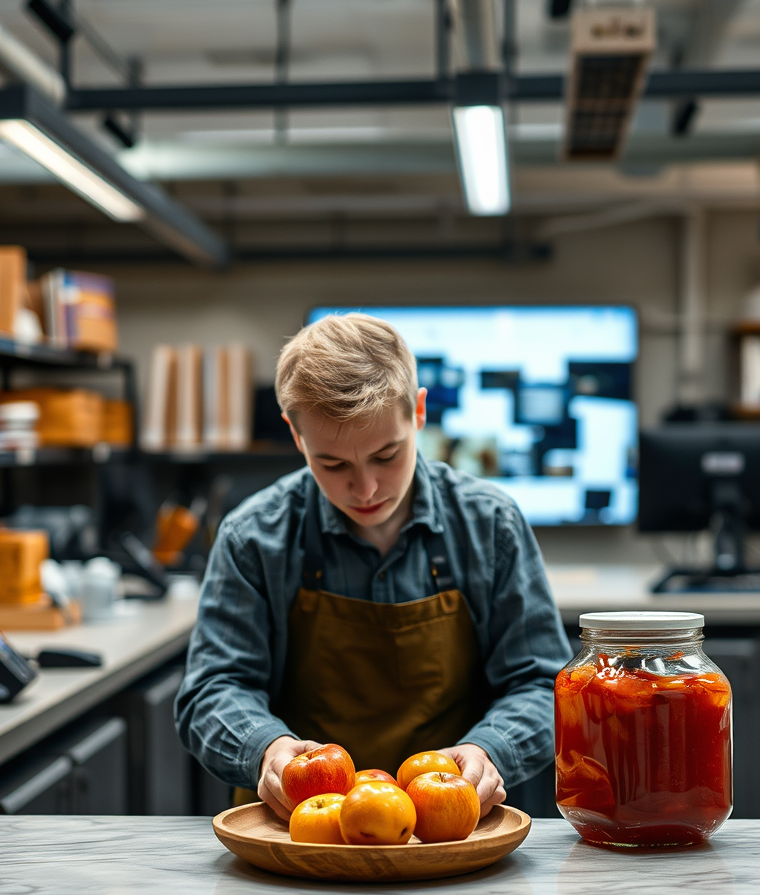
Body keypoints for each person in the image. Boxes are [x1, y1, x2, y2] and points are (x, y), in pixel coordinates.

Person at [176, 313, 570, 820]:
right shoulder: (252, 537)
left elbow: (540, 683)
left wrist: (490, 749)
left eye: (387, 455)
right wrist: (267, 748)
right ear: (296, 435)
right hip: (302, 830)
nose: (365, 489)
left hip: (447, 828)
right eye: (333, 464)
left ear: (419, 412)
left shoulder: (491, 525)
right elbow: (212, 690)